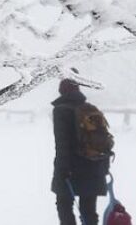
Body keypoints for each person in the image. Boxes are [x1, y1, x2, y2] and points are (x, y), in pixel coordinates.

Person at [51, 78, 110, 225]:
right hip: (94, 165)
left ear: (62, 90)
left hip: (71, 168)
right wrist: (104, 168)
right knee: (88, 210)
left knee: (64, 206)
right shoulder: (89, 108)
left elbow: (62, 144)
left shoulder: (61, 111)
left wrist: (62, 170)